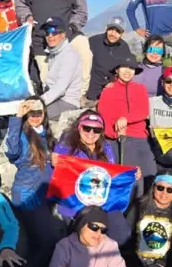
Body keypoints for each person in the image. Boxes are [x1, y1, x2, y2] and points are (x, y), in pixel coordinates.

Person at [15, 0, 92, 98]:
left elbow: (81, 11)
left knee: (85, 50)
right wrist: (27, 17)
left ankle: (81, 95)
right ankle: (52, 108)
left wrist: (71, 29)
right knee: (47, 80)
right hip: (41, 39)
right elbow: (19, 2)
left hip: (68, 35)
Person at [5, 97, 63, 267]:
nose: (36, 117)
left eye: (39, 113)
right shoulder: (20, 134)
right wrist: (16, 118)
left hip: (46, 194)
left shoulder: (47, 134)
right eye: (31, 114)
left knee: (42, 241)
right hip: (28, 195)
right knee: (49, 240)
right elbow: (11, 152)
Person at [52, 110, 134, 246]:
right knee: (88, 236)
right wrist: (54, 160)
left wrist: (131, 175)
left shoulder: (106, 147)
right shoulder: (67, 146)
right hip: (77, 203)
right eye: (87, 128)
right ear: (79, 127)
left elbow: (111, 176)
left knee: (122, 233)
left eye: (96, 130)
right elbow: (58, 166)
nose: (91, 133)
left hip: (102, 201)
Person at [97, 58, 156, 195]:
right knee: (134, 179)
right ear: (117, 70)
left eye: (131, 68)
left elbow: (143, 111)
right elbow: (104, 115)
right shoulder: (108, 91)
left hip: (140, 137)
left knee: (150, 174)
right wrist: (114, 133)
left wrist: (126, 118)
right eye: (124, 67)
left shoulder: (140, 89)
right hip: (119, 138)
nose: (128, 71)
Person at [125, 173, 172, 267]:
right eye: (160, 188)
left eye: (169, 190)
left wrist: (163, 264)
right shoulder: (139, 206)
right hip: (137, 265)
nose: (164, 193)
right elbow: (126, 237)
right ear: (153, 188)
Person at [38, 17, 82, 119]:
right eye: (47, 32)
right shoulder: (54, 53)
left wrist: (39, 102)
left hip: (67, 102)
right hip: (55, 99)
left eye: (54, 32)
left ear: (63, 34)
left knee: (34, 116)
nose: (50, 36)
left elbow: (60, 88)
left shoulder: (69, 55)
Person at [85, 16, 133, 104]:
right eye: (111, 29)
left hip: (111, 92)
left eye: (118, 31)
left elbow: (126, 70)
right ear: (106, 28)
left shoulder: (124, 47)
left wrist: (114, 82)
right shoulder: (93, 41)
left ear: (123, 33)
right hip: (90, 91)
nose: (113, 34)